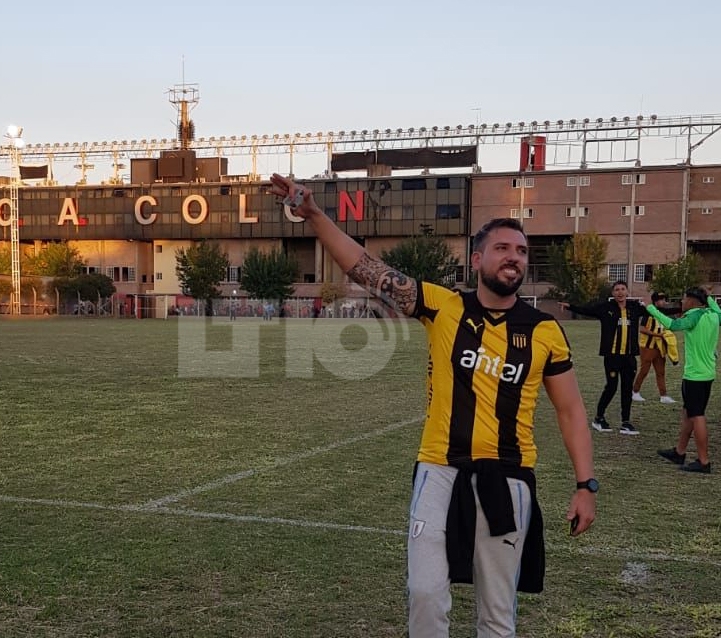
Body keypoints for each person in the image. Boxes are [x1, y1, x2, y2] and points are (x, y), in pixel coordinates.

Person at [269, 174, 596, 638]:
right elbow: (367, 268)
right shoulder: (443, 307)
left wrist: (586, 485)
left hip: (508, 477)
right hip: (439, 469)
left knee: (497, 612)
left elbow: (571, 410)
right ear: (477, 259)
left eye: (522, 251)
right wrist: (316, 216)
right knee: (424, 593)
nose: (514, 257)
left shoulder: (544, 331)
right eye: (503, 248)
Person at [649, 287, 721, 473]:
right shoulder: (714, 314)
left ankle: (704, 462)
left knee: (697, 415)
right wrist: (708, 297)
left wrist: (650, 308)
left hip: (695, 376)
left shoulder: (693, 316)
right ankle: (679, 452)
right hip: (707, 374)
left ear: (692, 301)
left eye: (684, 299)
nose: (682, 302)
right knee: (688, 412)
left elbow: (673, 325)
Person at [558, 281, 646, 435]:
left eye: (622, 289)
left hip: (629, 357)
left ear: (627, 292)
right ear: (613, 293)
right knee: (611, 387)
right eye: (616, 290)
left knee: (627, 389)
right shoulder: (606, 308)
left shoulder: (635, 308)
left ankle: (626, 422)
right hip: (612, 357)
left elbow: (656, 312)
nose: (620, 292)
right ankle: (599, 418)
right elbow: (587, 310)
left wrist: (682, 310)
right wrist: (570, 306)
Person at [632, 291, 678, 404]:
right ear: (655, 301)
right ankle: (635, 391)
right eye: (662, 300)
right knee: (644, 370)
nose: (664, 302)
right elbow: (642, 329)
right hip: (648, 346)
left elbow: (675, 310)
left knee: (661, 372)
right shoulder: (648, 312)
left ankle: (663, 395)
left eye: (664, 299)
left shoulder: (663, 312)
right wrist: (657, 334)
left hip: (660, 346)